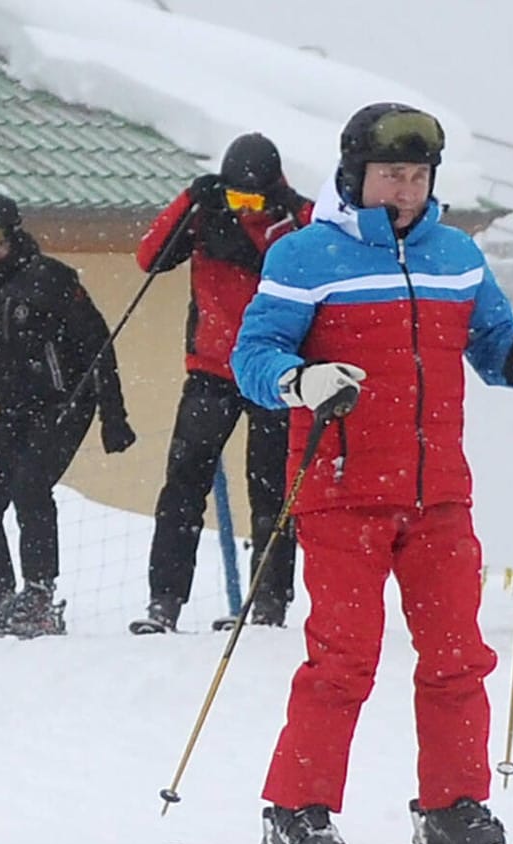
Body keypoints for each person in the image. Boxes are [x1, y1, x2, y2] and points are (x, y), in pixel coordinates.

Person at [229, 103, 513, 844]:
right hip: (341, 487)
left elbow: (491, 343)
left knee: (457, 656)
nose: (405, 191)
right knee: (344, 659)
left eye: (418, 177)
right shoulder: (305, 255)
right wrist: (300, 379)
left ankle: (452, 808)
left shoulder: (456, 254)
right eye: (392, 175)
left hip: (438, 493)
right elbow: (253, 353)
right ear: (355, 174)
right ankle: (296, 811)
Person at [0, 193, 136, 637]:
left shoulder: (50, 279)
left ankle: (38, 597)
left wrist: (114, 415)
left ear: (15, 234)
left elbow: (97, 346)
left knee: (30, 487)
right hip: (14, 411)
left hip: (65, 403)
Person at [129, 133, 314, 634]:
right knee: (183, 488)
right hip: (210, 371)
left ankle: (267, 605)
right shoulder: (206, 213)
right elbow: (151, 258)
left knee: (272, 493)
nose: (244, 209)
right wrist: (192, 198)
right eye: (235, 198)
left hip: (277, 375)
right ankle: (163, 602)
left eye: (253, 200)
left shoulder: (299, 221)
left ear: (274, 190)